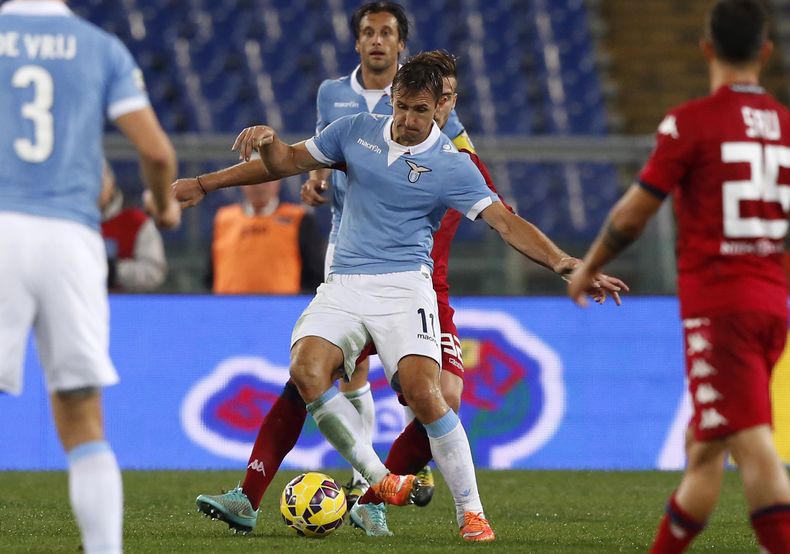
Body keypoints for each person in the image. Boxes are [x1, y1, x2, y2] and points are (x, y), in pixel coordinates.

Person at [175, 56, 625, 542]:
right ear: (392, 99)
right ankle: (381, 480)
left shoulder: (453, 165)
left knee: (425, 394)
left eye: (422, 110)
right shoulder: (353, 131)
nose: (410, 120)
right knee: (305, 371)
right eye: (404, 107)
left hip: (406, 286)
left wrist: (565, 264)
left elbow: (506, 222)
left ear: (440, 110)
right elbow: (285, 161)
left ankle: (471, 513)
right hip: (344, 283)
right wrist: (210, 179)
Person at [568, 1, 790, 552]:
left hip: (721, 308)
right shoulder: (786, 127)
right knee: (704, 447)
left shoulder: (690, 122)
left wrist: (588, 266)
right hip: (771, 305)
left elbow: (632, 215)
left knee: (754, 444)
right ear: (765, 52)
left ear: (707, 48)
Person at [0, 1, 180, 553]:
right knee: (81, 415)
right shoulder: (100, 47)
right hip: (72, 240)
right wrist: (161, 204)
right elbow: (155, 149)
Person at [303, 1, 472, 502]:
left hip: (409, 266)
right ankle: (369, 479)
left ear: (401, 45)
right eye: (368, 32)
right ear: (357, 41)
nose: (377, 40)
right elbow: (319, 152)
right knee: (345, 366)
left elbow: (461, 159)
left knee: (416, 376)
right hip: (345, 242)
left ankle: (406, 472)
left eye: (387, 33)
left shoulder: (427, 104)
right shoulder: (333, 95)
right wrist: (314, 179)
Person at [208, 179, 325, 294]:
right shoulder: (223, 219)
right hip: (227, 307)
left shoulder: (299, 219)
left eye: (266, 179)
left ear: (278, 182)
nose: (259, 186)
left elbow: (314, 276)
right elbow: (211, 273)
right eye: (252, 179)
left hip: (282, 308)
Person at [100, 161, 168, 292]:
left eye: (100, 182)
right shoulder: (68, 223)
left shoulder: (137, 223)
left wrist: (114, 271)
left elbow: (154, 273)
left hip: (125, 305)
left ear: (111, 184)